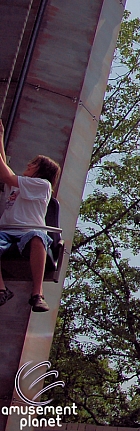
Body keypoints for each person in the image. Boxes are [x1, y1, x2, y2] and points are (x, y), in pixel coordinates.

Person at [0, 122, 61, 312]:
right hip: (6, 232)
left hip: (28, 232)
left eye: (33, 163)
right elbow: (5, 170)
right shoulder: (16, 185)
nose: (28, 164)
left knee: (37, 237)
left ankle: (37, 293)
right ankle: (1, 289)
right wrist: (0, 136)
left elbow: (8, 175)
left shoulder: (42, 185)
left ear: (41, 171)